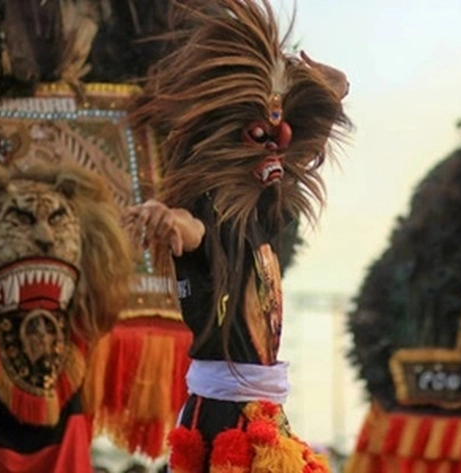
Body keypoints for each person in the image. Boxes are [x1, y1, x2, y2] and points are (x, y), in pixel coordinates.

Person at [124, 1, 351, 471]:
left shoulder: (264, 219)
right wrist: (166, 218)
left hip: (261, 410)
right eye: (259, 136)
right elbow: (193, 232)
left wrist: (331, 91)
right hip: (223, 416)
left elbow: (304, 151)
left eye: (281, 137)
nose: (275, 149)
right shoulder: (207, 211)